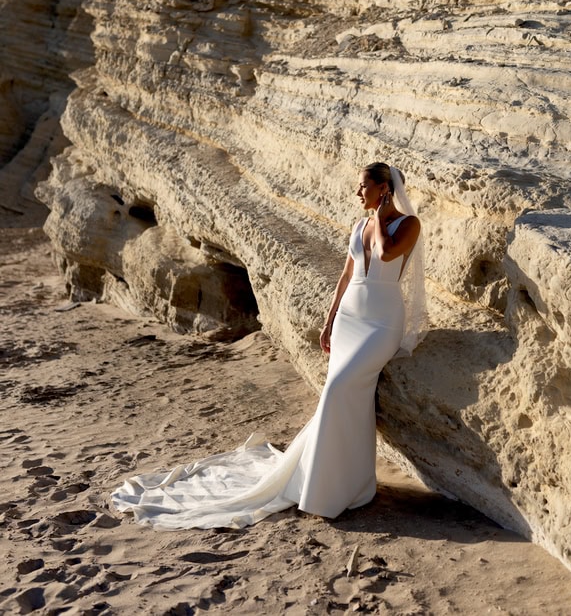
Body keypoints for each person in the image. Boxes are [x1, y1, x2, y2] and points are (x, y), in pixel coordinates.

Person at [111, 162, 427, 529]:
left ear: (384, 188)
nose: (357, 193)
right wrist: (329, 321)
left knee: (341, 390)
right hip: (350, 319)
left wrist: (382, 213)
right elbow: (346, 275)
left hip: (382, 322)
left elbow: (386, 254)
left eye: (363, 187)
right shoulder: (359, 224)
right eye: (358, 187)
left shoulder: (408, 225)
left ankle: (337, 485)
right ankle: (340, 481)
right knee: (339, 395)